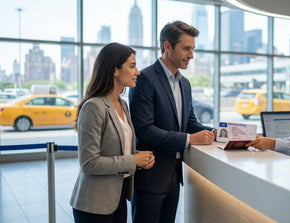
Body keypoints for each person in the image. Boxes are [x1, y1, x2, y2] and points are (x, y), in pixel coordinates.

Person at [129, 21, 217, 223]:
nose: (191, 55)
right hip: (151, 176)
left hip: (174, 176)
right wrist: (189, 139)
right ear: (167, 46)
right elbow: (144, 130)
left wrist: (217, 133)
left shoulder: (184, 84)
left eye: (193, 49)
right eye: (186, 48)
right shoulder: (145, 79)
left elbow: (190, 122)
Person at [70, 42, 155, 223]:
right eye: (131, 66)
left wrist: (140, 158)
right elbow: (89, 163)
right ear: (115, 70)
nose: (137, 72)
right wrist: (133, 160)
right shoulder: (93, 107)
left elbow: (118, 150)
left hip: (118, 199)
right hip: (94, 205)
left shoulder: (122, 105)